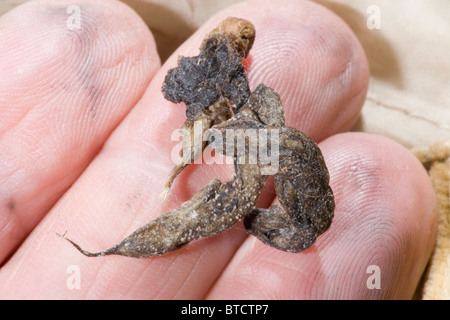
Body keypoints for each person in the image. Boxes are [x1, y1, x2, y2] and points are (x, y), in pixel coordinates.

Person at [0, 0, 436, 299]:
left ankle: (118, 246)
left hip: (278, 173)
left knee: (270, 197)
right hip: (263, 165)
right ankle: (115, 247)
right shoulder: (238, 90)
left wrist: (219, 137)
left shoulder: (255, 99)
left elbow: (267, 158)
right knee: (243, 195)